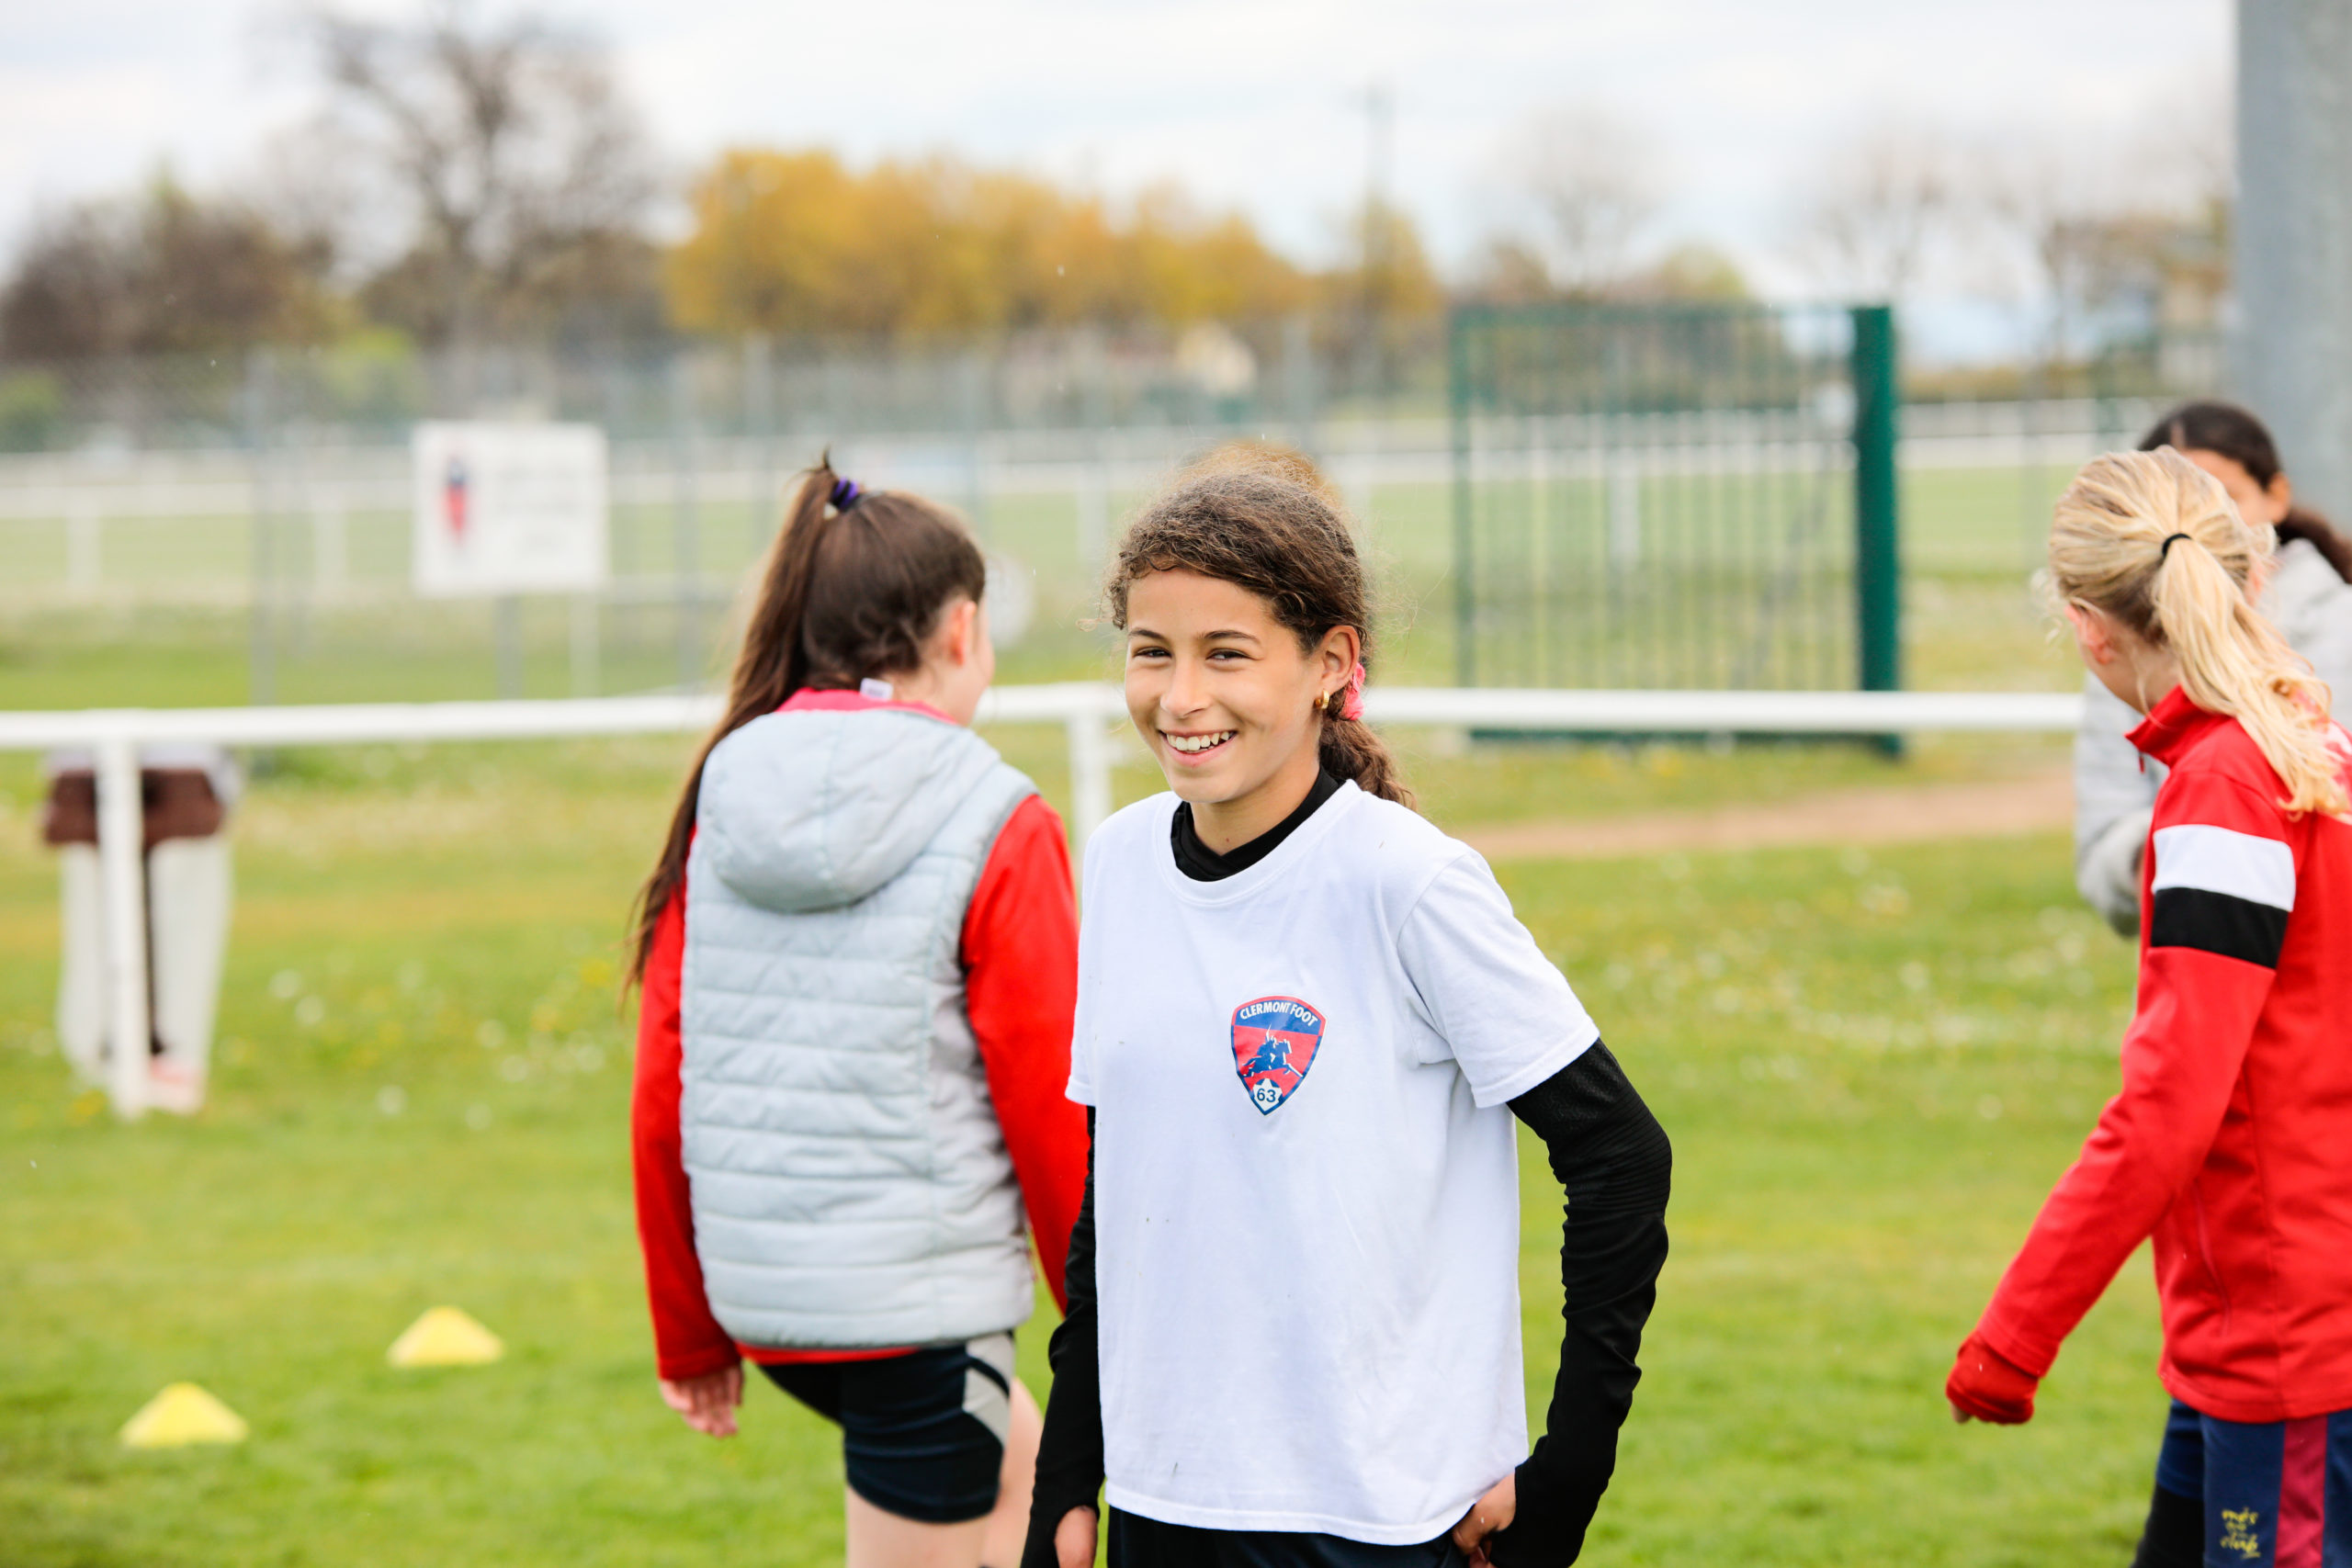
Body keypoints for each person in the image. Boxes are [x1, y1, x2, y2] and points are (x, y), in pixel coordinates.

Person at [1023, 453, 1672, 1568]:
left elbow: (1620, 1155)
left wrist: (1565, 1472)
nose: (1180, 698)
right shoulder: (1122, 861)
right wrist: (1066, 1476)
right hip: (1164, 1504)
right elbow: (1113, 1195)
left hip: (1376, 1519)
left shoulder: (1406, 883)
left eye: (1227, 653)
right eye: (1151, 652)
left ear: (1331, 664)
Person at [628, 461, 1089, 1568]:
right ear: (964, 630)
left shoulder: (724, 787)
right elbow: (1054, 1097)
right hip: (913, 1320)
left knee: (1043, 1500)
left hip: (772, 1306)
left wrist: (690, 1330)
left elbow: (662, 1084)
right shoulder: (997, 811)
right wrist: (1100, 1311)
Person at [1946, 448, 2352, 1567]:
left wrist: (2013, 1337)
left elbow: (2166, 1110)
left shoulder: (2227, 787)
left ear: (2087, 629)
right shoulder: (2306, 745)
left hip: (2290, 1344)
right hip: (2269, 1326)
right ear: (2247, 575)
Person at [2075, 400, 2352, 935]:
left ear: (2276, 497)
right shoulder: (2118, 651)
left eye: (2221, 500)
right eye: (2174, 509)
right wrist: (2192, 860)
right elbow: (2103, 840)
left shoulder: (2342, 625)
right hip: (2198, 940)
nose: (2197, 531)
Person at [41, 741, 238, 1114]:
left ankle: (167, 1059)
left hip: (177, 763)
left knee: (178, 907)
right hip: (97, 762)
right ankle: (107, 1054)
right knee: (101, 912)